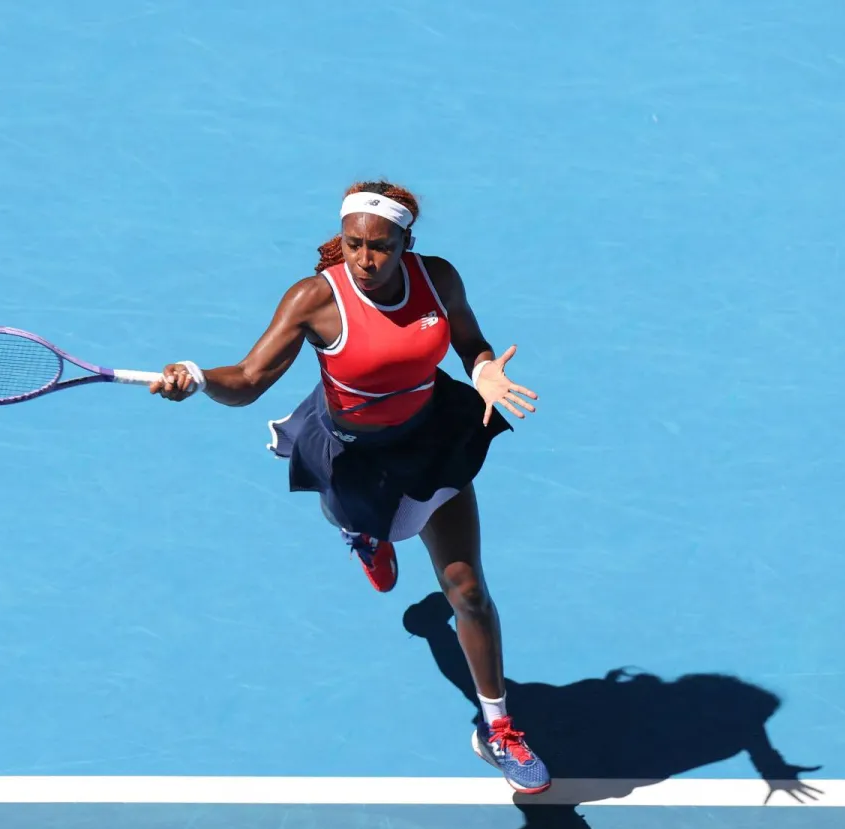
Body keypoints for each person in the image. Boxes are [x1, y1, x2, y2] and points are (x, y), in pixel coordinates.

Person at [150, 180, 549, 794]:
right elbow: (251, 379)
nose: (366, 259)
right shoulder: (315, 299)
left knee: (466, 588)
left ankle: (497, 729)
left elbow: (470, 341)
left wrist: (485, 370)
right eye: (354, 244)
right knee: (361, 518)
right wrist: (199, 377)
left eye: (381, 247)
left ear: (405, 243)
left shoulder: (437, 278)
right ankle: (366, 533)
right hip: (353, 454)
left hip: (430, 436)